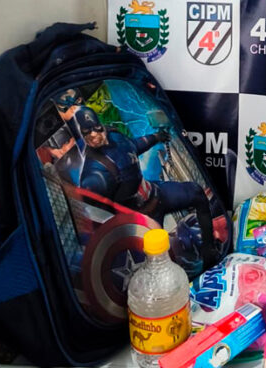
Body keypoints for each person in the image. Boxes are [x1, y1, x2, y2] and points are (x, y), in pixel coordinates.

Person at [77, 107, 219, 266]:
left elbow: (134, 146)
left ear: (101, 125)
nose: (93, 134)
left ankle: (209, 250)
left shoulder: (115, 136)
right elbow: (94, 211)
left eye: (95, 128)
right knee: (155, 262)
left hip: (155, 194)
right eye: (87, 132)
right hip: (140, 221)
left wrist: (156, 137)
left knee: (197, 193)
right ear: (82, 134)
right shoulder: (94, 173)